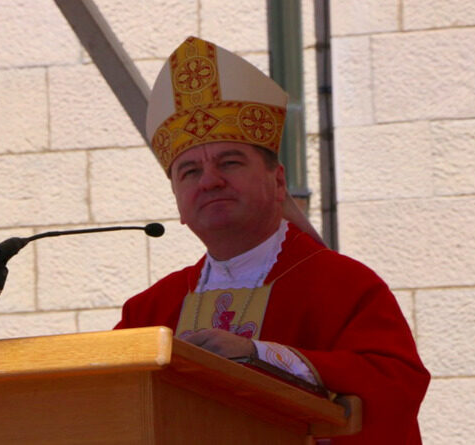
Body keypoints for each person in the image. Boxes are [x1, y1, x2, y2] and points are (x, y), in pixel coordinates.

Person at [115, 36, 429, 443]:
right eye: (189, 172)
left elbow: (394, 387)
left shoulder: (343, 285)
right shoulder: (150, 310)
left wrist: (257, 355)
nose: (210, 180)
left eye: (229, 162)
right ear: (178, 202)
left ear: (278, 181)